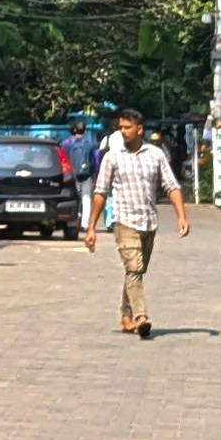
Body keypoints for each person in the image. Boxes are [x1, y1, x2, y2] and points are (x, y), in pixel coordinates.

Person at [81, 105, 188, 337]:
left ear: (140, 130)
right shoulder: (112, 157)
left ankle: (126, 316)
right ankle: (141, 317)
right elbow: (100, 191)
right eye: (121, 128)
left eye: (128, 128)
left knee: (136, 271)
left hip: (149, 221)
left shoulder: (156, 155)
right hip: (124, 220)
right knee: (134, 267)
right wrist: (91, 228)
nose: (123, 132)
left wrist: (181, 216)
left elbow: (172, 186)